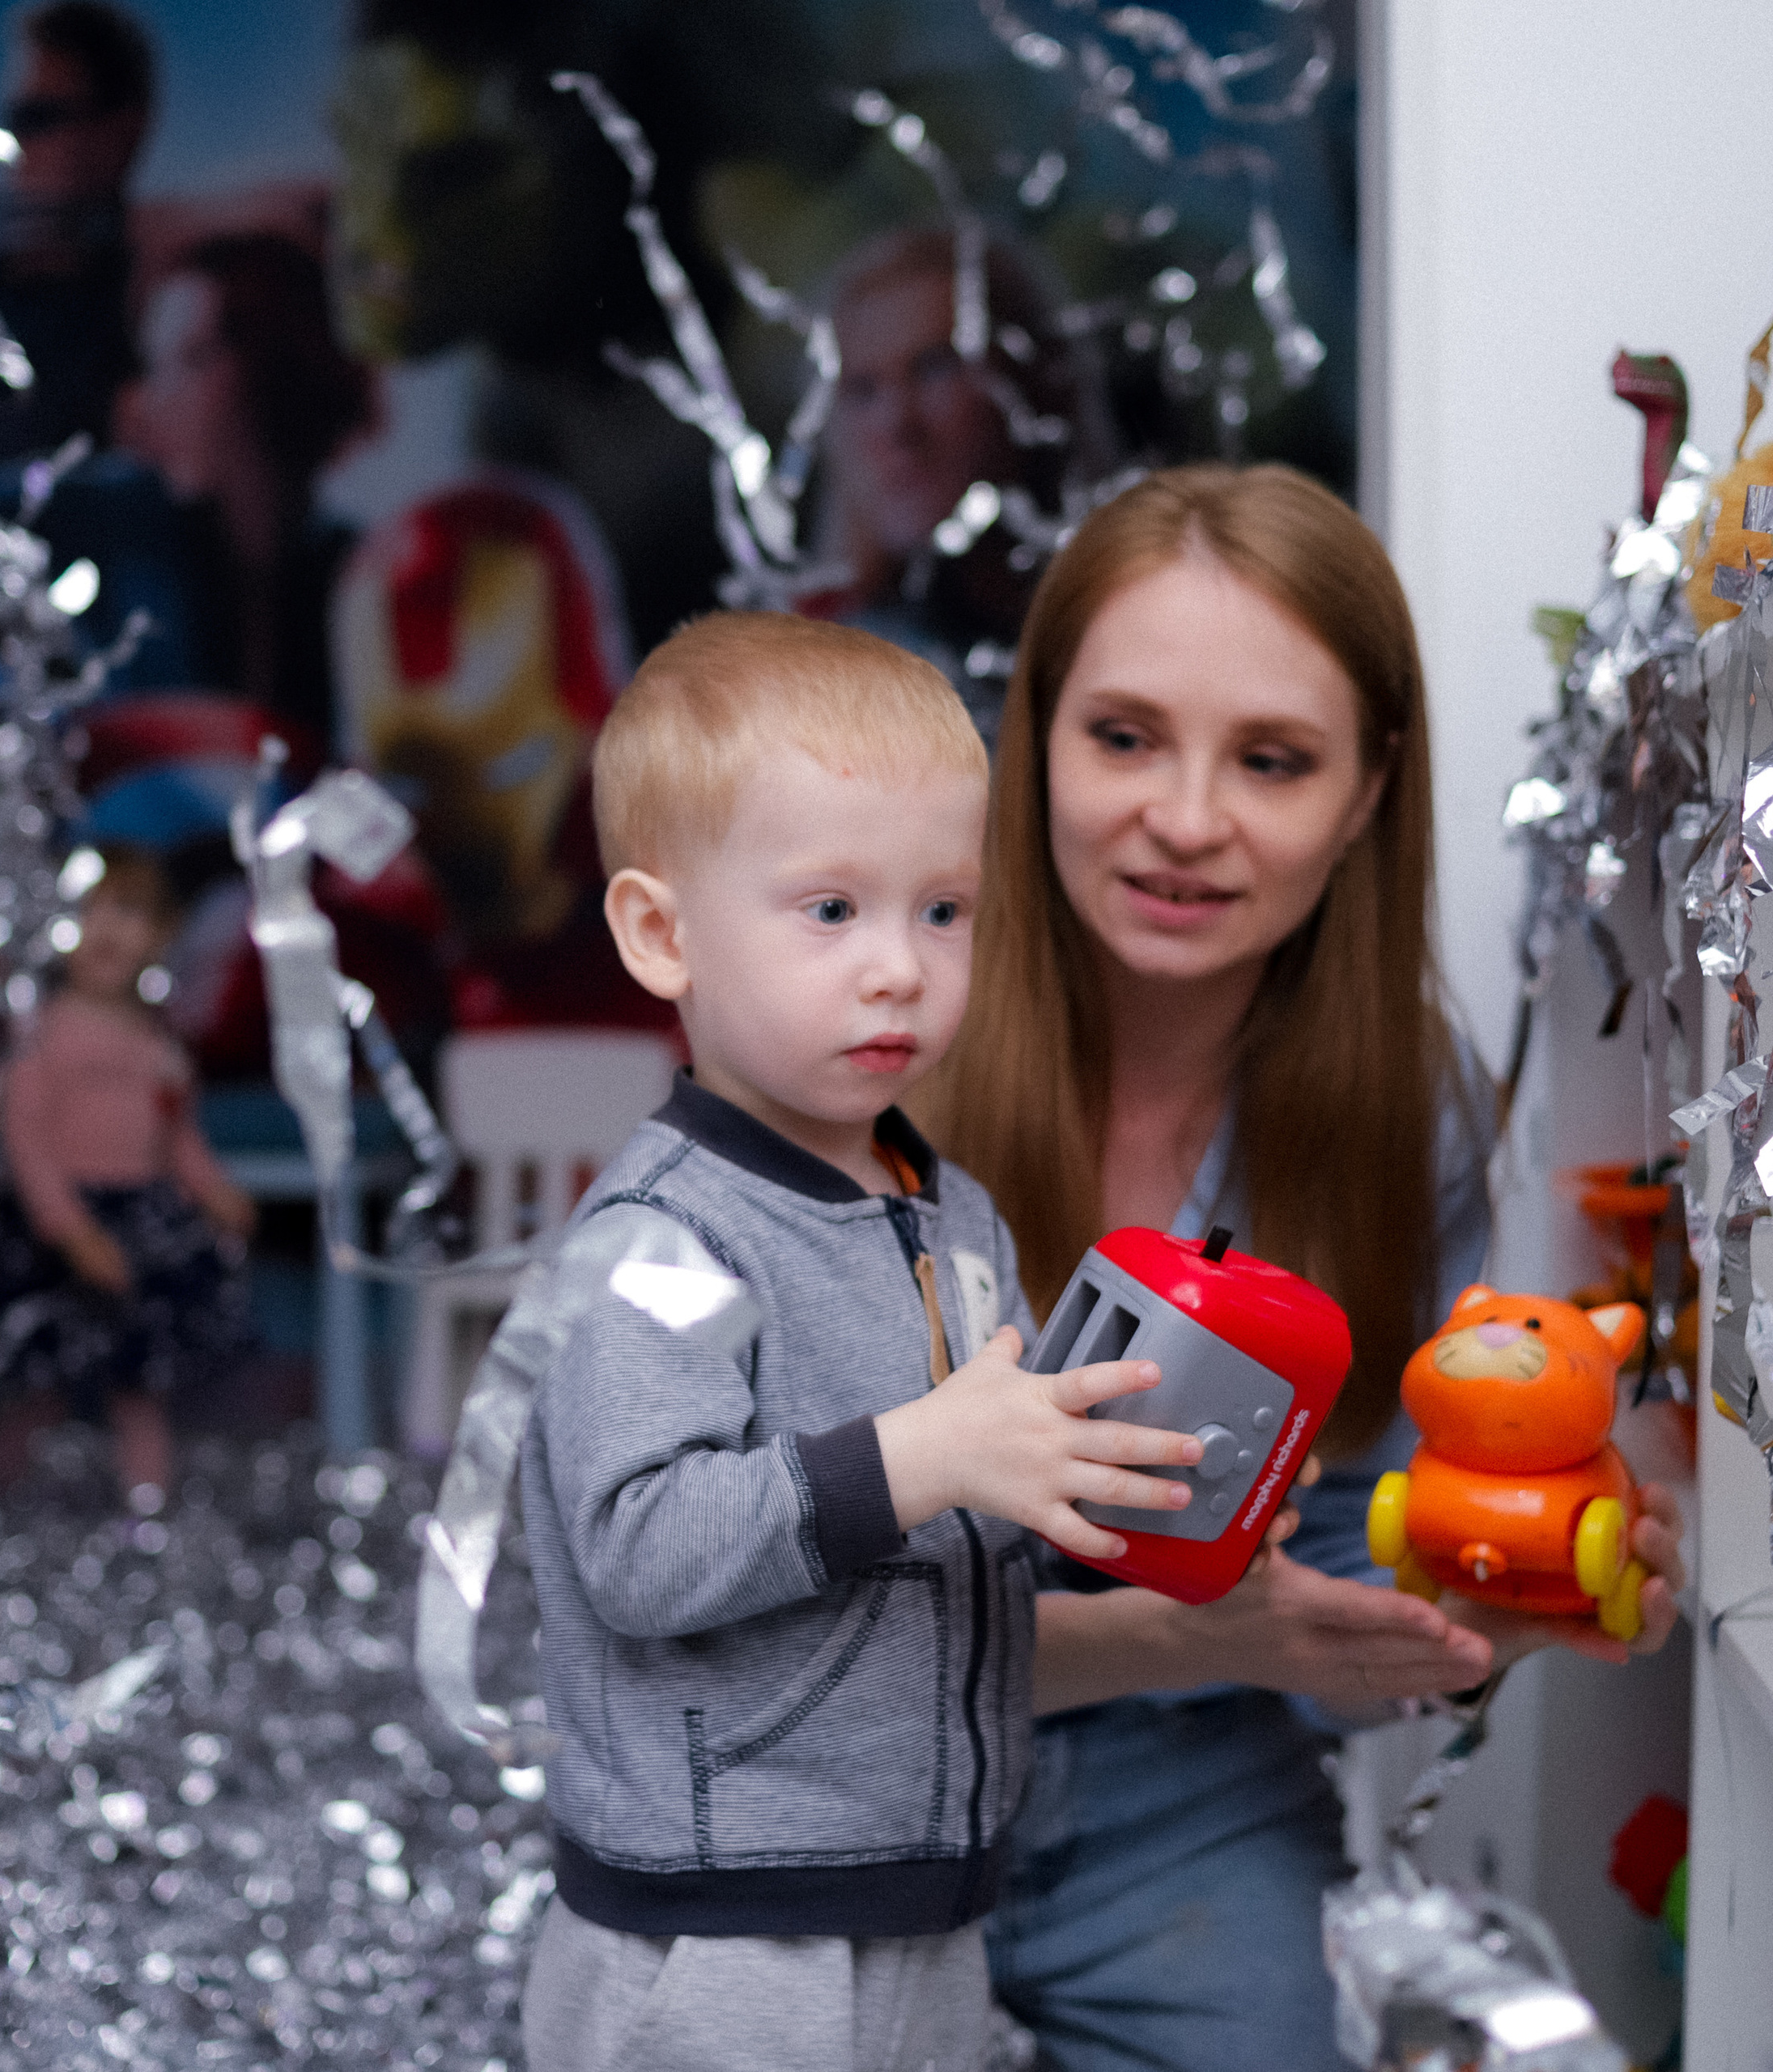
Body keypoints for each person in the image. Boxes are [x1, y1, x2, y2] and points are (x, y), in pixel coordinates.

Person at [919, 464, 1688, 2070]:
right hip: (846, 1786)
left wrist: (1488, 1600)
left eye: (1269, 760)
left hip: (1179, 1806)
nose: (1184, 818)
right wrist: (1202, 1634)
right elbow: (786, 1627)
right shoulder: (872, 1038)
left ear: (1360, 795)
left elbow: (1324, 1606)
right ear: (1032, 736)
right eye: (1121, 735)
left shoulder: (1395, 1105)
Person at [516, 612, 1208, 2070]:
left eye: (941, 911)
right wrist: (927, 1452)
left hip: (923, 1907)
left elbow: (977, 1524)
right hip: (719, 1936)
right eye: (830, 910)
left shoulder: (948, 1209)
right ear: (663, 935)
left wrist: (1109, 1498)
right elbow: (639, 1547)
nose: (899, 966)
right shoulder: (658, 1240)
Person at [0, 844, 255, 1506]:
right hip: (59, 1228)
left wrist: (212, 1187)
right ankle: (0, 1499)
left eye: (129, 913)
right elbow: (27, 1145)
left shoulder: (159, 1038)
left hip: (140, 1222)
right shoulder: (42, 1034)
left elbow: (177, 1135)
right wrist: (69, 1230)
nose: (106, 930)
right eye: (86, 911)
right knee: (37, 1387)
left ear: (163, 934)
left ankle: (147, 1507)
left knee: (138, 1385)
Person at [815, 224, 1118, 752]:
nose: (896, 423)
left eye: (936, 367)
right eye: (863, 390)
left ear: (1035, 383)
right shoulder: (821, 689)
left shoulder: (1142, 619)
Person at [117, 231, 376, 744]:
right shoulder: (134, 584)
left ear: (274, 365)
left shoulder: (364, 580)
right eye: (151, 367)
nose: (149, 401)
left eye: (191, 358)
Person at [0, 2, 155, 463]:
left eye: (40, 118)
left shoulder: (155, 268)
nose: (16, 149)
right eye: (11, 123)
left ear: (121, 131)